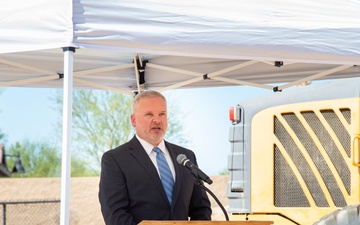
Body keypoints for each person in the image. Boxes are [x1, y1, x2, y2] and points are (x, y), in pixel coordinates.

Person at [99, 90, 212, 225]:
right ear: (133, 120)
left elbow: (201, 209)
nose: (157, 120)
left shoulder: (186, 156)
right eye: (149, 114)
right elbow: (115, 214)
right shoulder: (115, 159)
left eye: (162, 114)